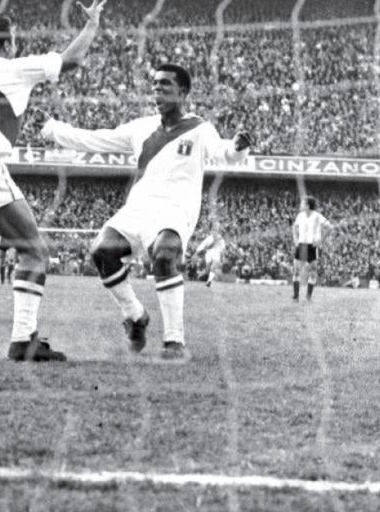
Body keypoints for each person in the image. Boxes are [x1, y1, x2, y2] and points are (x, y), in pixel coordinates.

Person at [0, 0, 105, 360]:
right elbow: (72, 58)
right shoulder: (14, 67)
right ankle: (23, 340)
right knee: (35, 252)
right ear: (9, 43)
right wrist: (91, 23)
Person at [41, 64, 251, 359]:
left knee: (164, 255)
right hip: (139, 207)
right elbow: (94, 139)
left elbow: (224, 152)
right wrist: (53, 129)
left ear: (183, 93)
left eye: (165, 85)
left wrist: (238, 148)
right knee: (101, 251)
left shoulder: (201, 130)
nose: (157, 90)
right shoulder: (141, 127)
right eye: (155, 85)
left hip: (176, 209)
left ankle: (174, 341)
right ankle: (135, 315)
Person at [292, 196, 335, 302]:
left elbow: (330, 227)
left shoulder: (317, 216)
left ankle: (308, 297)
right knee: (296, 271)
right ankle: (296, 297)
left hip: (312, 246)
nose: (301, 205)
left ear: (307, 205)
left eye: (302, 203)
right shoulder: (300, 216)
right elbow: (294, 228)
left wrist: (320, 240)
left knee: (313, 272)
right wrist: (296, 240)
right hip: (301, 245)